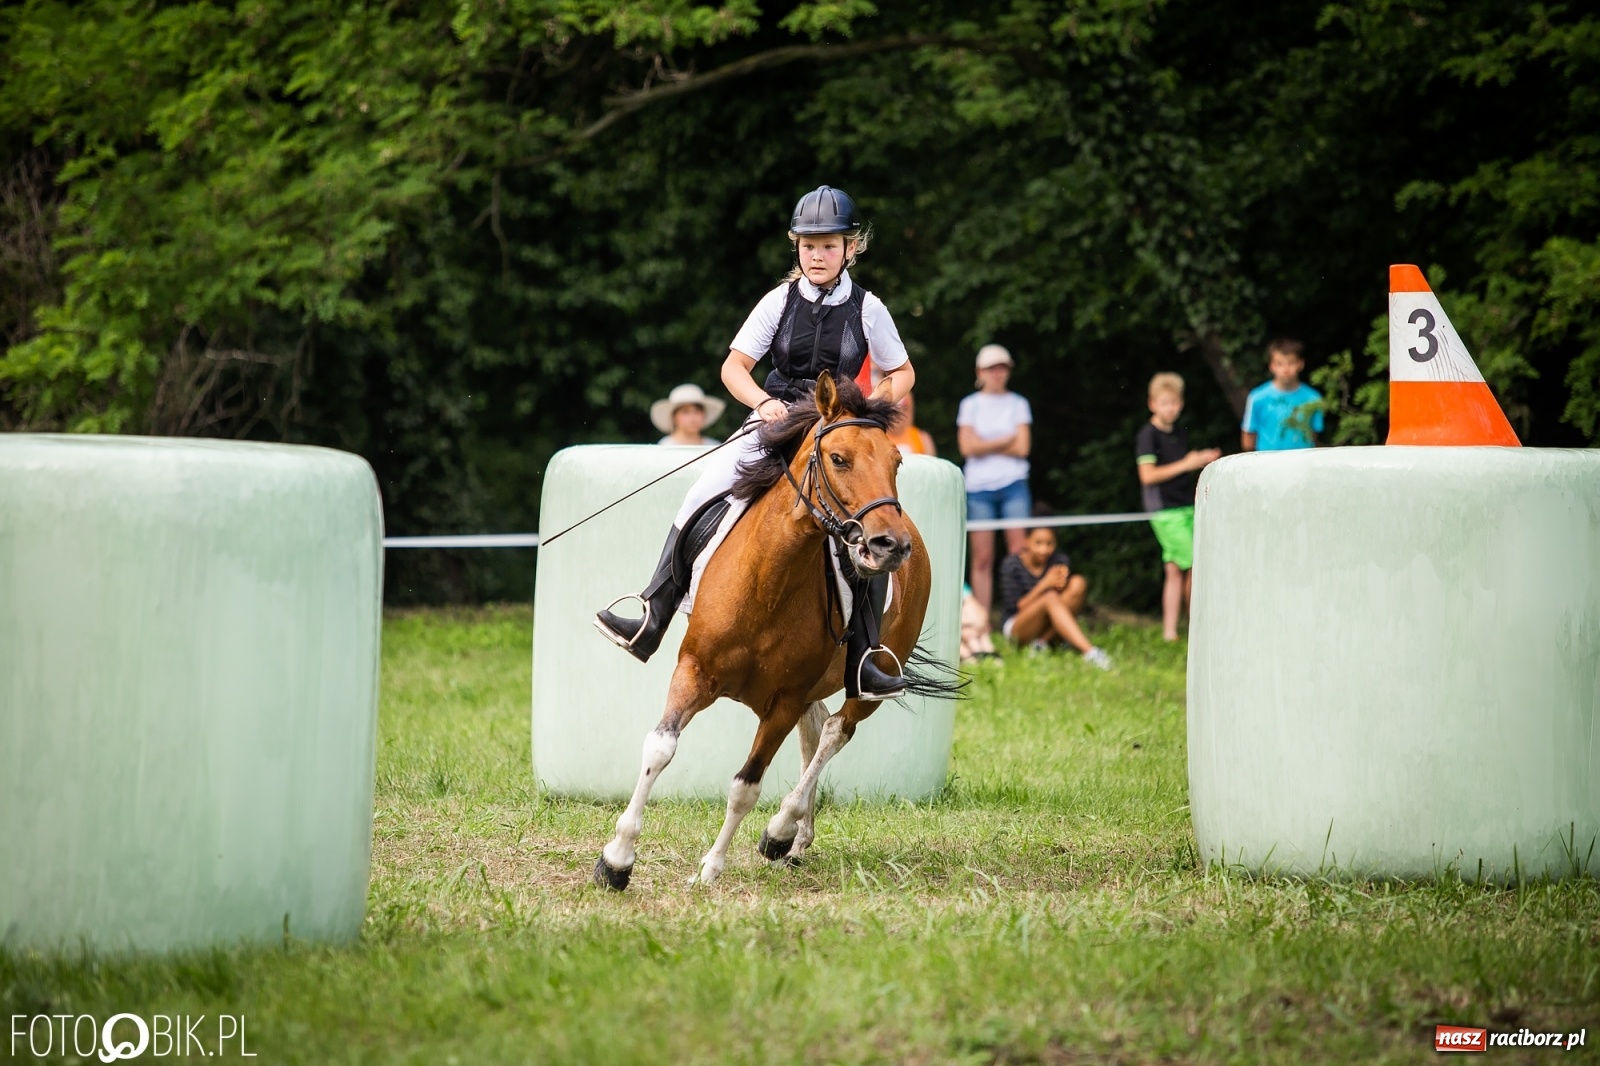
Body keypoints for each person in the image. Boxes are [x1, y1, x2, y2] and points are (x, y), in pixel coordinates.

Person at [595, 186, 917, 700]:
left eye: (829, 245)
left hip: (836, 433)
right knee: (705, 489)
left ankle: (863, 658)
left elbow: (902, 372)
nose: (817, 254)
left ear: (850, 249)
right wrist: (762, 403)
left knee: (873, 527)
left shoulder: (869, 309)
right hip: (779, 421)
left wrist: (872, 404)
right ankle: (654, 612)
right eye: (809, 245)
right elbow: (734, 368)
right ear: (797, 247)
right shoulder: (778, 301)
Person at [1136, 373, 1220, 641]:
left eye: (1173, 402)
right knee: (1196, 563)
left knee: (1173, 569)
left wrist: (1202, 461)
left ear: (1180, 404)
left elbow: (1184, 466)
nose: (1169, 408)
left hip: (1185, 507)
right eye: (1164, 403)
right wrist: (1187, 463)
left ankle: (1170, 632)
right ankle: (1199, 629)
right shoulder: (1147, 435)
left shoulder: (1179, 433)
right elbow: (1147, 476)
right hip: (1164, 511)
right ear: (1152, 404)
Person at [957, 344, 1032, 615]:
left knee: (1018, 553)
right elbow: (967, 448)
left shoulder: (1019, 403)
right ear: (980, 372)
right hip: (979, 489)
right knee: (982, 558)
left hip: (1014, 485)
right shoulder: (969, 405)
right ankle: (982, 621)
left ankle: (1019, 617)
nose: (997, 373)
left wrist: (984, 443)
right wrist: (1006, 439)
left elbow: (1023, 448)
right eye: (991, 368)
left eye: (1002, 367)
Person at [997, 526, 1113, 669]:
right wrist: (1045, 584)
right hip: (1017, 625)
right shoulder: (1011, 565)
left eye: (1049, 544)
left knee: (1078, 583)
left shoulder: (1059, 560)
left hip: (1048, 620)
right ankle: (1090, 652)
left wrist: (1059, 584)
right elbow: (1018, 607)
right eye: (1038, 543)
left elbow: (1066, 602)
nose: (1044, 550)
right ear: (1026, 541)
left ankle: (1041, 644)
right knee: (1050, 597)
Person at [1241, 338, 1323, 451]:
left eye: (1291, 363)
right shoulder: (1257, 397)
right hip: (1267, 464)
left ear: (1300, 364)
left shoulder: (1314, 398)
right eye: (1279, 364)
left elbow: (1314, 434)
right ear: (1271, 366)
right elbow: (1248, 439)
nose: (1285, 369)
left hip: (1302, 464)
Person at [652, 383, 725, 446]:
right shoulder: (665, 446)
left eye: (697, 412)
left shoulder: (713, 446)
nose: (692, 418)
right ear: (674, 417)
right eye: (685, 412)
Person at [887, 392, 936, 457]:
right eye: (895, 411)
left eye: (905, 409)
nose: (901, 414)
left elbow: (931, 465)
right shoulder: (877, 439)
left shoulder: (922, 439)